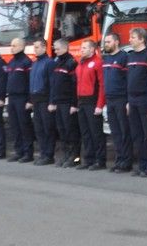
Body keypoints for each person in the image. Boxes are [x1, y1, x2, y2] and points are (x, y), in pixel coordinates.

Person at [125, 27, 147, 177]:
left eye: (132, 37)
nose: (129, 40)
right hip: (132, 99)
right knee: (137, 134)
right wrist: (127, 100)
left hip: (145, 98)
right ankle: (142, 164)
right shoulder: (130, 56)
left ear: (142, 39)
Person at [102, 33, 133, 172]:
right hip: (110, 100)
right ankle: (119, 159)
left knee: (124, 131)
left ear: (116, 42)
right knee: (115, 132)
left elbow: (128, 80)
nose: (105, 44)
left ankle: (126, 162)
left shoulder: (124, 57)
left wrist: (127, 101)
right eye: (105, 42)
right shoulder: (107, 58)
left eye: (108, 41)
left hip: (121, 99)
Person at [76, 38, 108, 170]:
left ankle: (100, 160)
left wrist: (100, 105)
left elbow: (102, 85)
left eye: (84, 48)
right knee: (85, 132)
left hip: (92, 102)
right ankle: (88, 159)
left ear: (91, 49)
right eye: (81, 48)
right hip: (82, 102)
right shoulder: (81, 63)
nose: (81, 50)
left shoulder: (97, 63)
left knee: (96, 133)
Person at [48, 37, 80, 167]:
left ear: (65, 48)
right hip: (59, 102)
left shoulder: (71, 63)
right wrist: (52, 101)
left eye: (57, 48)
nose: (55, 51)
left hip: (68, 103)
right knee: (61, 131)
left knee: (70, 131)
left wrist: (74, 104)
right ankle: (66, 155)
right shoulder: (56, 63)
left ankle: (75, 158)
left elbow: (74, 86)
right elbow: (54, 85)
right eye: (54, 48)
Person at [4, 38, 34, 163]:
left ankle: (28, 153)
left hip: (22, 98)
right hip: (12, 97)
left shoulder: (26, 62)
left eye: (15, 45)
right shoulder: (11, 62)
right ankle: (18, 151)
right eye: (11, 45)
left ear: (22, 47)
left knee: (24, 126)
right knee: (14, 126)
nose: (12, 47)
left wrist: (29, 100)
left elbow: (29, 82)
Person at [28, 39, 56, 165]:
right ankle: (43, 152)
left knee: (47, 128)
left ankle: (49, 155)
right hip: (36, 100)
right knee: (38, 128)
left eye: (37, 47)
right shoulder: (35, 63)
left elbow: (52, 83)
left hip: (45, 100)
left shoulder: (49, 63)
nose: (35, 49)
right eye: (34, 47)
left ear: (44, 48)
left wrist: (51, 101)